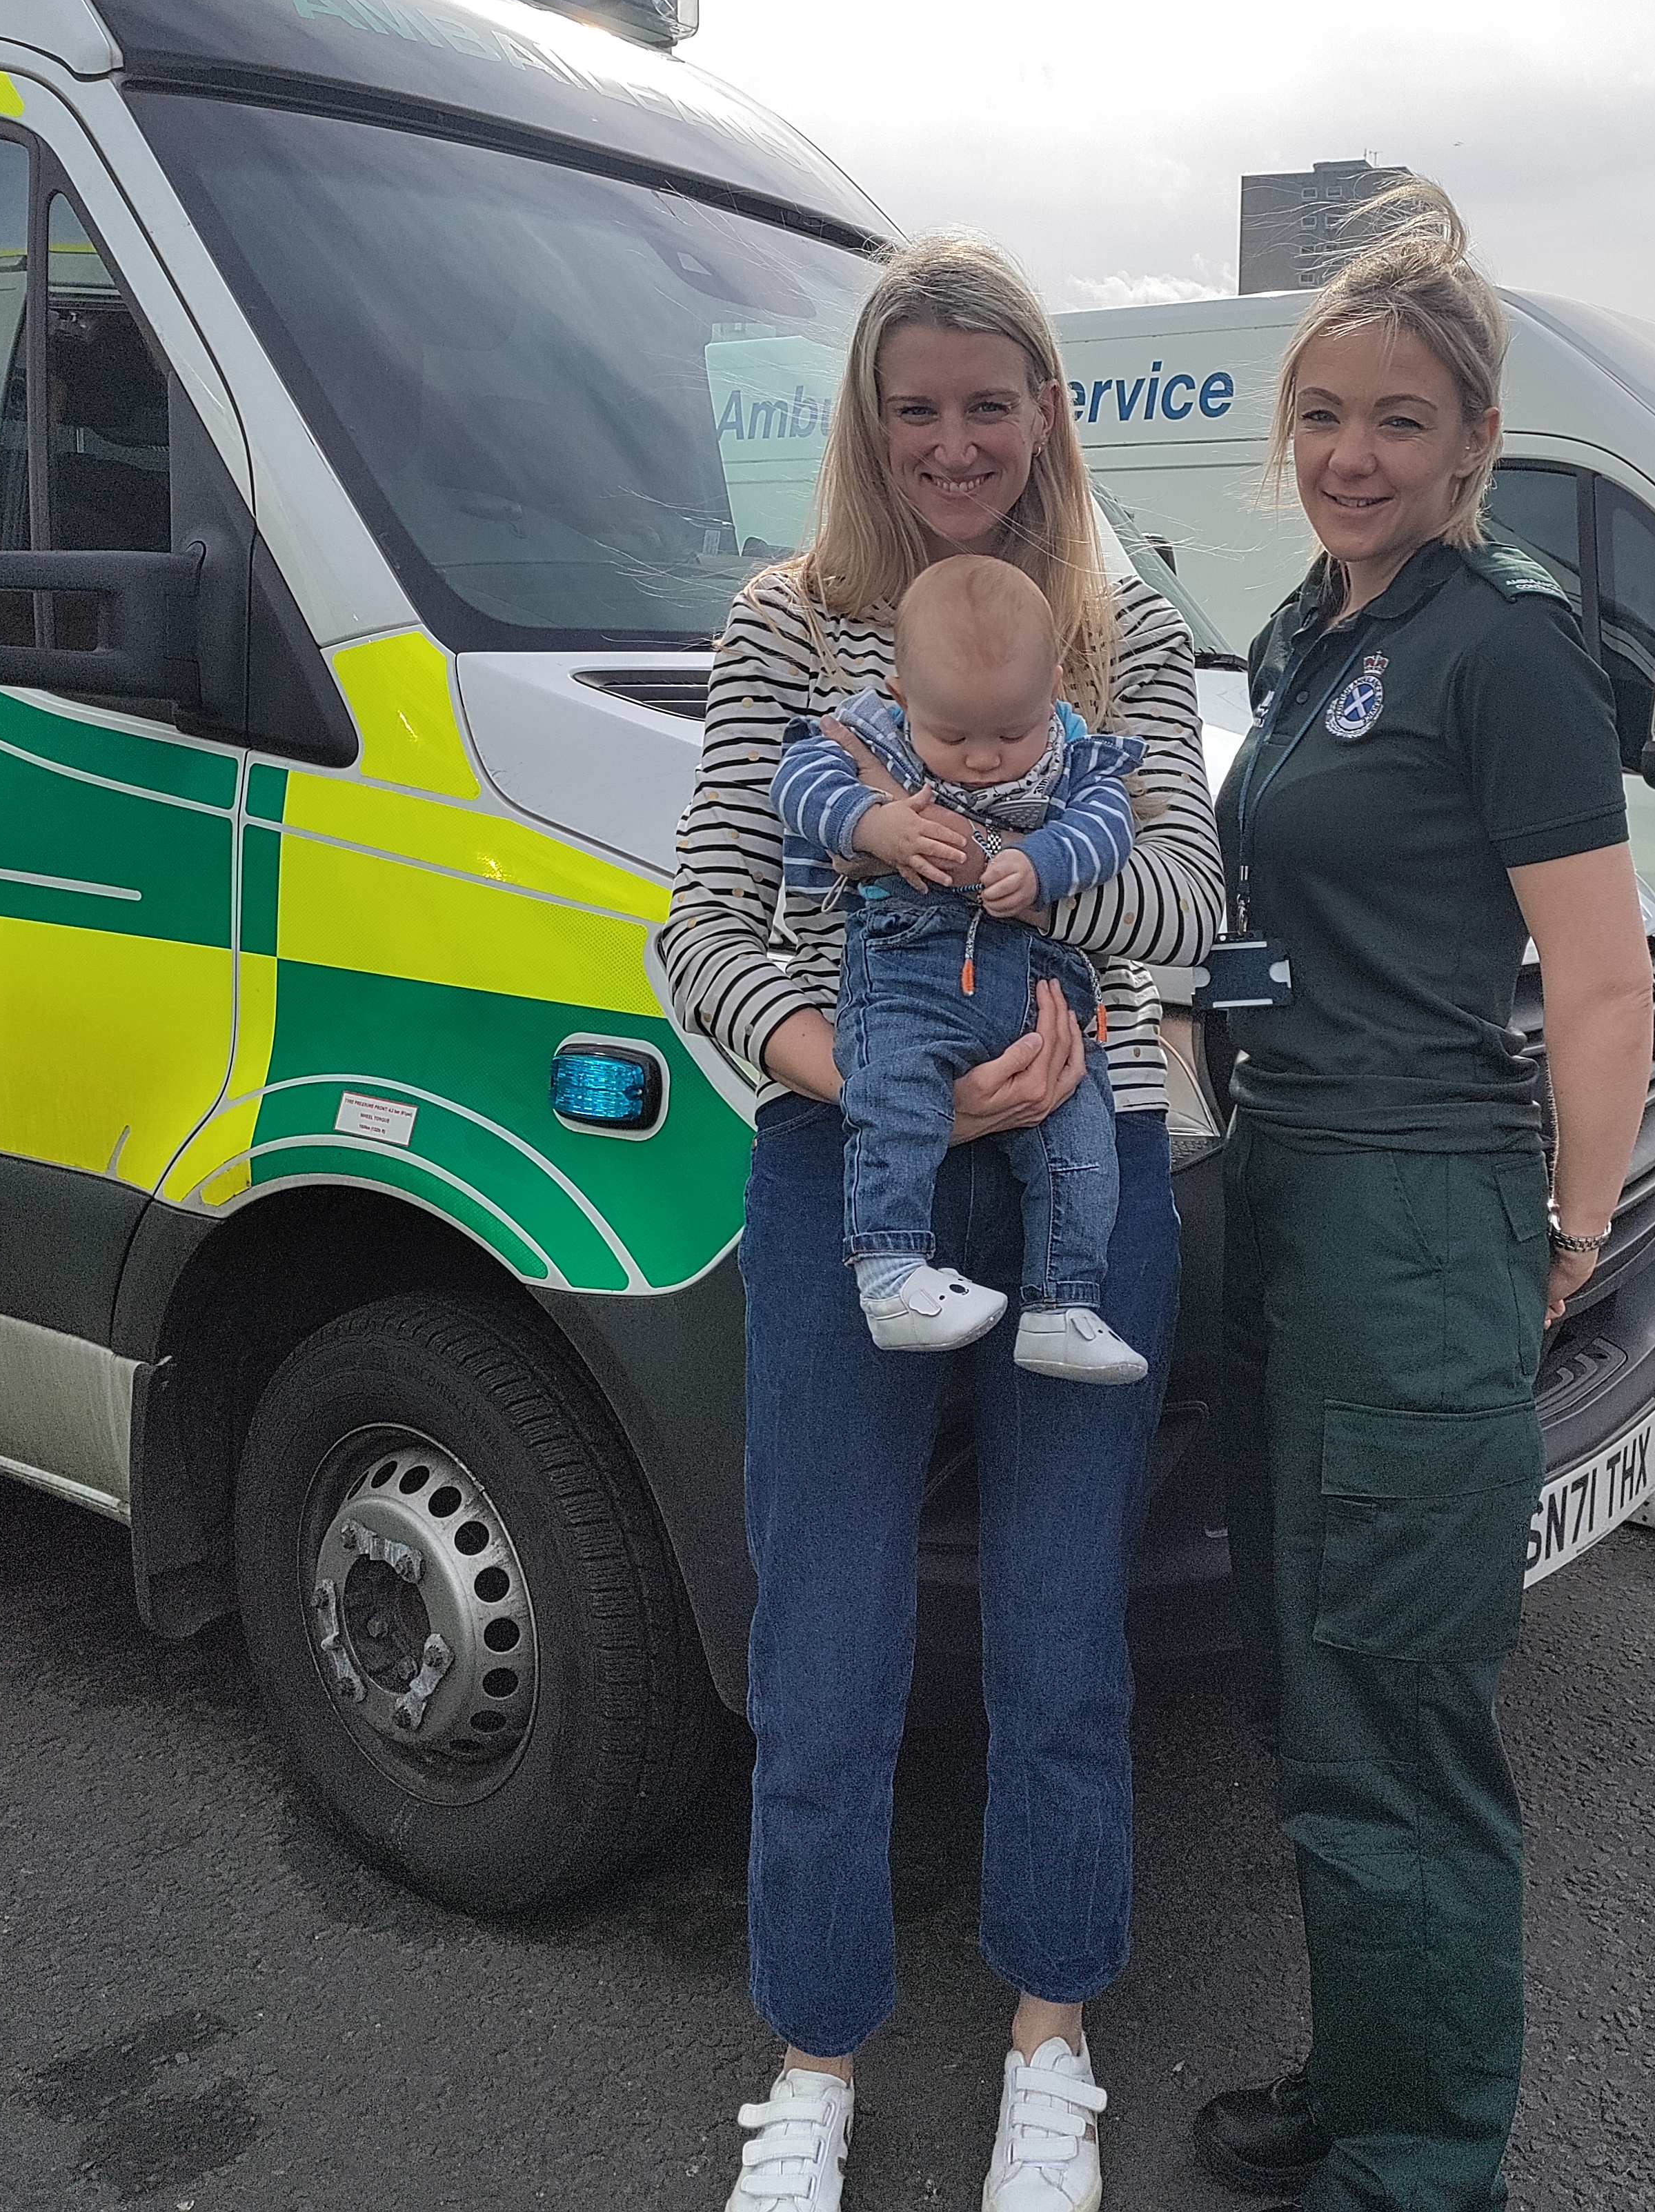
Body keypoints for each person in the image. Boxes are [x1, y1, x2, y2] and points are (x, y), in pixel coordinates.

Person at [660, 231, 1222, 2212]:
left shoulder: (1125, 638)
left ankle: (1050, 2048)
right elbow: (700, 930)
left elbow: (1186, 909)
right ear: (869, 420)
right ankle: (813, 2058)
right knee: (825, 1631)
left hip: (1092, 1160)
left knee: (1065, 1628)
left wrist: (1014, 879)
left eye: (991, 404)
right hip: (848, 1159)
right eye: (918, 409)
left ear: (1047, 411)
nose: (955, 443)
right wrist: (866, 1078)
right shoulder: (785, 629)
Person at [1190, 182, 1655, 2212]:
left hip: (1414, 1206)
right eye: (1322, 416)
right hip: (1288, 1184)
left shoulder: (1502, 647)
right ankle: (1366, 2070)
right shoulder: (1314, 633)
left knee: (1394, 1692)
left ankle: (1421, 2160)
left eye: (1396, 420)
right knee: (1311, 1680)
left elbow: (1602, 977)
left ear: (1474, 440)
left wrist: (1571, 1231)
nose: (1351, 456)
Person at [769, 552, 1152, 1382]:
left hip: (1046, 998)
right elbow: (796, 785)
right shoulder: (865, 732)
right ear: (902, 698)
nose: (983, 759)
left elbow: (1109, 825)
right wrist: (874, 825)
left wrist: (1042, 863)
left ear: (1053, 688)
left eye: (1012, 734)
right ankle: (890, 1269)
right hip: (912, 975)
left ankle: (1063, 1304)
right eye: (952, 737)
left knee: (1084, 1147)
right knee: (896, 1101)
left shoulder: (1074, 753)